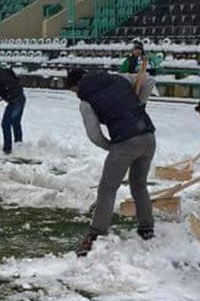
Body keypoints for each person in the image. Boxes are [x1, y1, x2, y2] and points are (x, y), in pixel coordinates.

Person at [65, 68, 157, 256]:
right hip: (148, 136)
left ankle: (97, 233)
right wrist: (138, 105)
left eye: (74, 91)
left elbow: (93, 134)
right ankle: (147, 227)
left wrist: (109, 146)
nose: (76, 94)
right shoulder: (118, 78)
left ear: (76, 85)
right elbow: (148, 81)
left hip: (124, 141)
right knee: (139, 185)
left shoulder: (85, 101)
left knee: (107, 188)